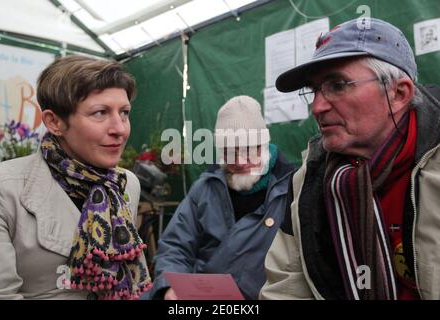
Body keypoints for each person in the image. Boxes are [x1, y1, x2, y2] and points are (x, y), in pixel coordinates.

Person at [260, 18, 440, 300]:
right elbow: (285, 287)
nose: (317, 107)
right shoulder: (309, 179)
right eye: (314, 90)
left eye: (338, 85)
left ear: (398, 93)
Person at [0, 55, 151, 299]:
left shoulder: (126, 184)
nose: (120, 128)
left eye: (125, 112)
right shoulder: (1, 187)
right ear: (54, 122)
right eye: (100, 113)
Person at [146, 95, 297, 300]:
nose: (240, 161)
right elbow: (175, 246)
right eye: (230, 152)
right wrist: (169, 287)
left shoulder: (292, 189)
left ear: (264, 143)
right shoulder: (205, 188)